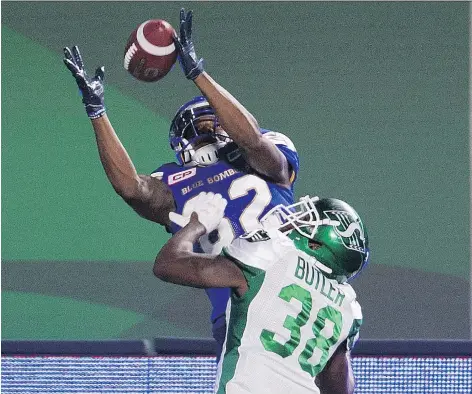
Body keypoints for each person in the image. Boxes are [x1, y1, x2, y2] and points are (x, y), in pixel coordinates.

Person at [63, 8, 299, 356]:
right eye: (205, 126)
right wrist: (97, 112)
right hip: (239, 308)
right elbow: (131, 188)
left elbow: (251, 140)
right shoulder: (177, 180)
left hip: (297, 291)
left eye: (218, 121)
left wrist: (198, 73)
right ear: (183, 142)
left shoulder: (263, 151)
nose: (216, 128)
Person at [154, 191, 369, 394]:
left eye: (304, 222)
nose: (293, 223)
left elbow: (168, 264)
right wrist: (338, 345)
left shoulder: (272, 255)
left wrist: (196, 225)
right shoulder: (348, 307)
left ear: (316, 244)